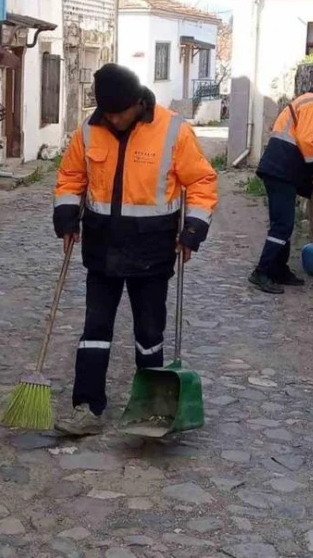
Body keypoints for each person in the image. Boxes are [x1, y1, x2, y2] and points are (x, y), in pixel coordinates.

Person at [52, 63, 218, 436]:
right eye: (106, 113)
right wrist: (66, 218)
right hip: (102, 248)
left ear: (138, 103)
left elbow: (202, 181)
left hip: (153, 249)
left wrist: (193, 230)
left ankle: (153, 407)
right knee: (94, 329)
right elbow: (71, 177)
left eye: (119, 113)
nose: (113, 120)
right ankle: (87, 407)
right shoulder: (89, 130)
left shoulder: (173, 129)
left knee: (149, 331)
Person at [249, 79, 313, 294]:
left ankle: (279, 270)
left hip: (278, 167)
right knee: (282, 225)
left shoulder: (305, 100)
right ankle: (262, 272)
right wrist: (312, 170)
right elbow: (306, 140)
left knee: (284, 223)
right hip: (281, 169)